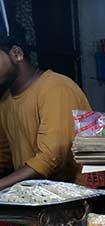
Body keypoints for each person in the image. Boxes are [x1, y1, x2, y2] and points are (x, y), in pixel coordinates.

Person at [0, 34, 91, 189]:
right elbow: (4, 154)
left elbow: (51, 159)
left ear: (17, 54)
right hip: (37, 197)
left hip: (77, 197)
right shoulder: (5, 101)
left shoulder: (56, 88)